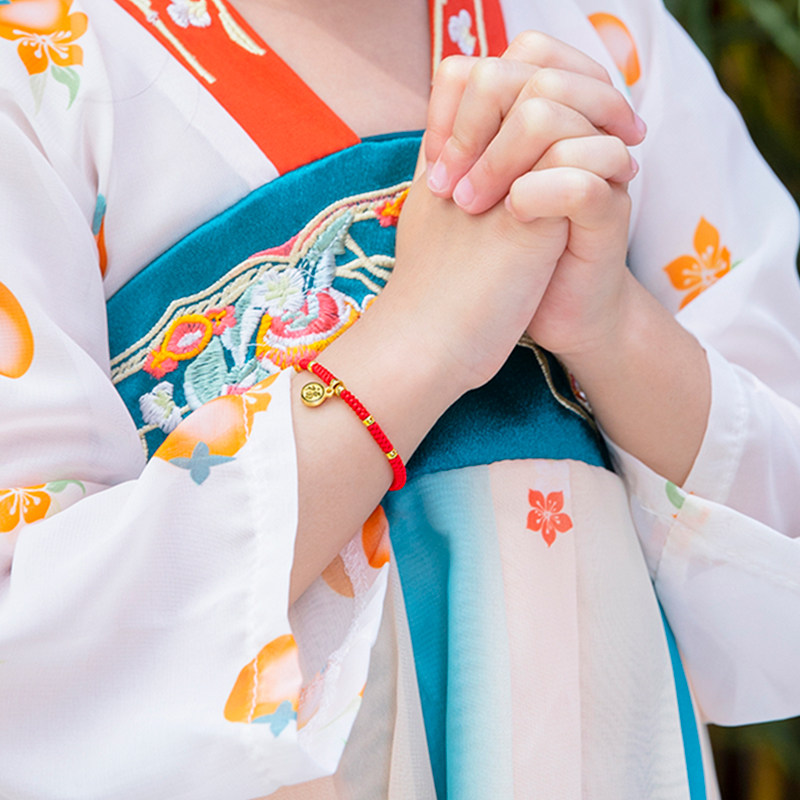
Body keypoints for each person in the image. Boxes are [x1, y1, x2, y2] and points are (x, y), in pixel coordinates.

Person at [1, 0, 799, 797]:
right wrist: (420, 336)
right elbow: (38, 659)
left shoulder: (608, 30)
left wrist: (612, 327)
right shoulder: (40, 65)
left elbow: (776, 576)